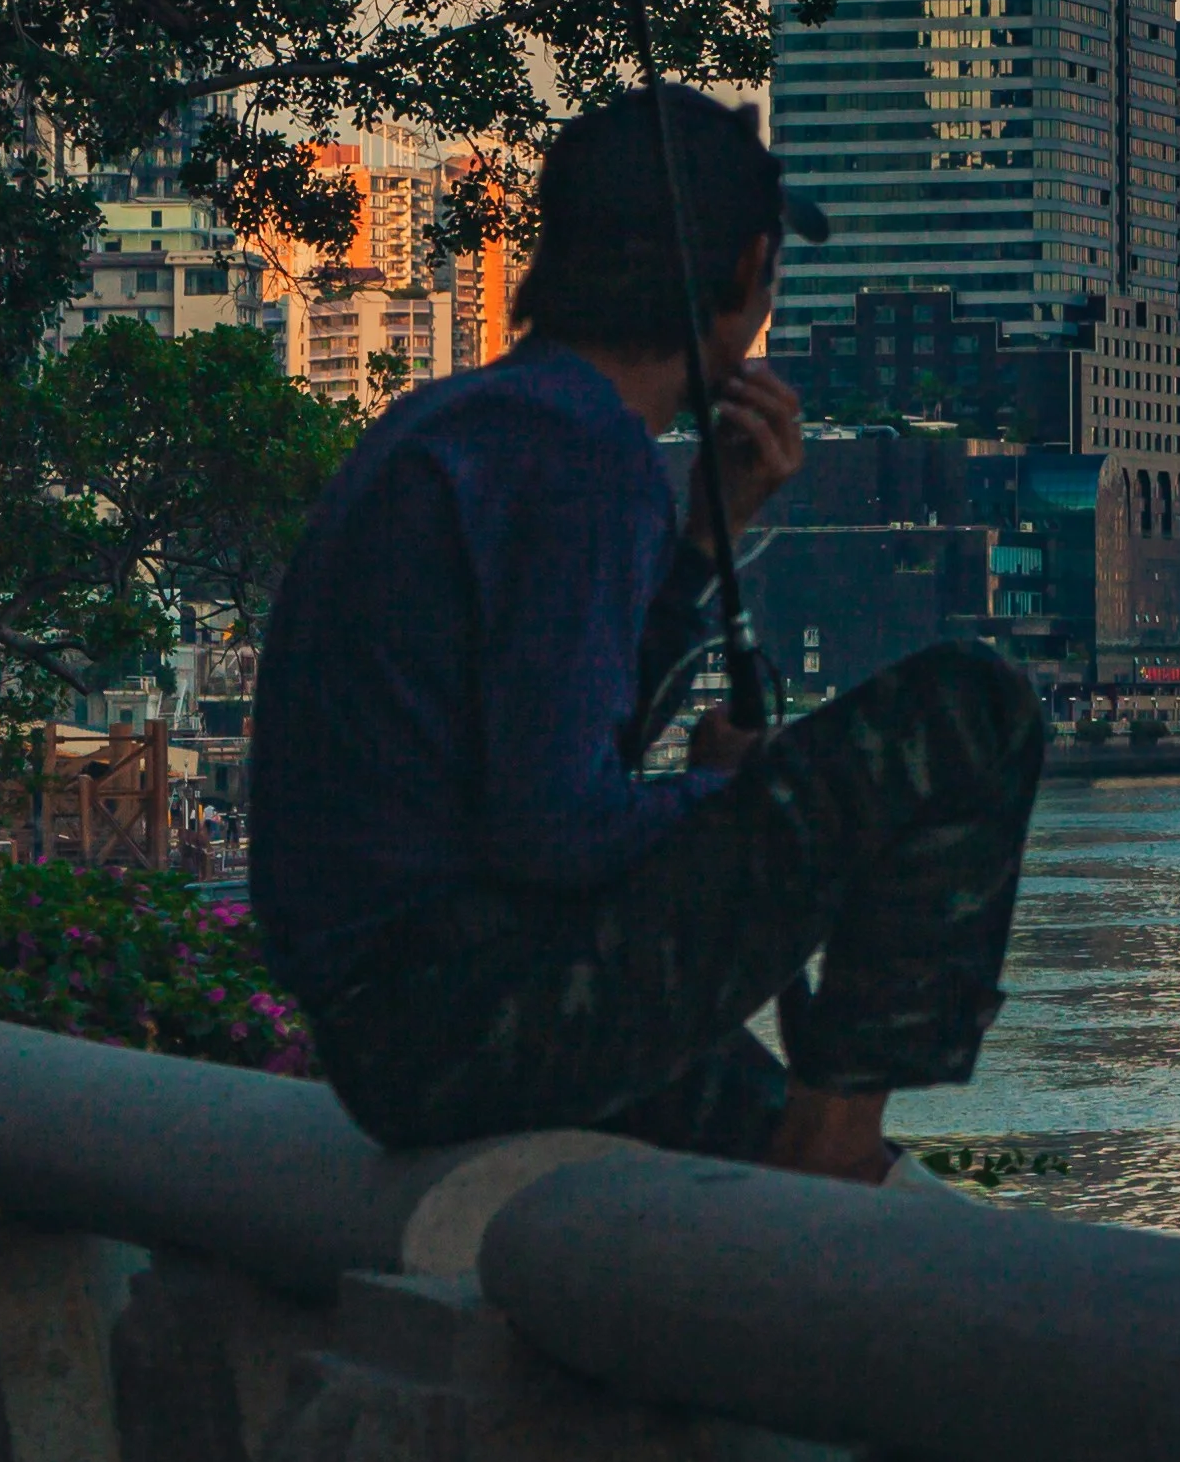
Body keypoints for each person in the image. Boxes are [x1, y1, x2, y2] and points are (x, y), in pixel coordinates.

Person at [247, 89, 1052, 1180]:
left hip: (398, 1035)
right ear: (741, 275)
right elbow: (555, 829)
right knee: (972, 711)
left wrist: (704, 544)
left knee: (748, 1127)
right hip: (474, 1017)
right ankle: (837, 1147)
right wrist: (726, 792)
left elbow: (562, 735)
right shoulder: (584, 457)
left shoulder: (459, 422)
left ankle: (815, 1145)